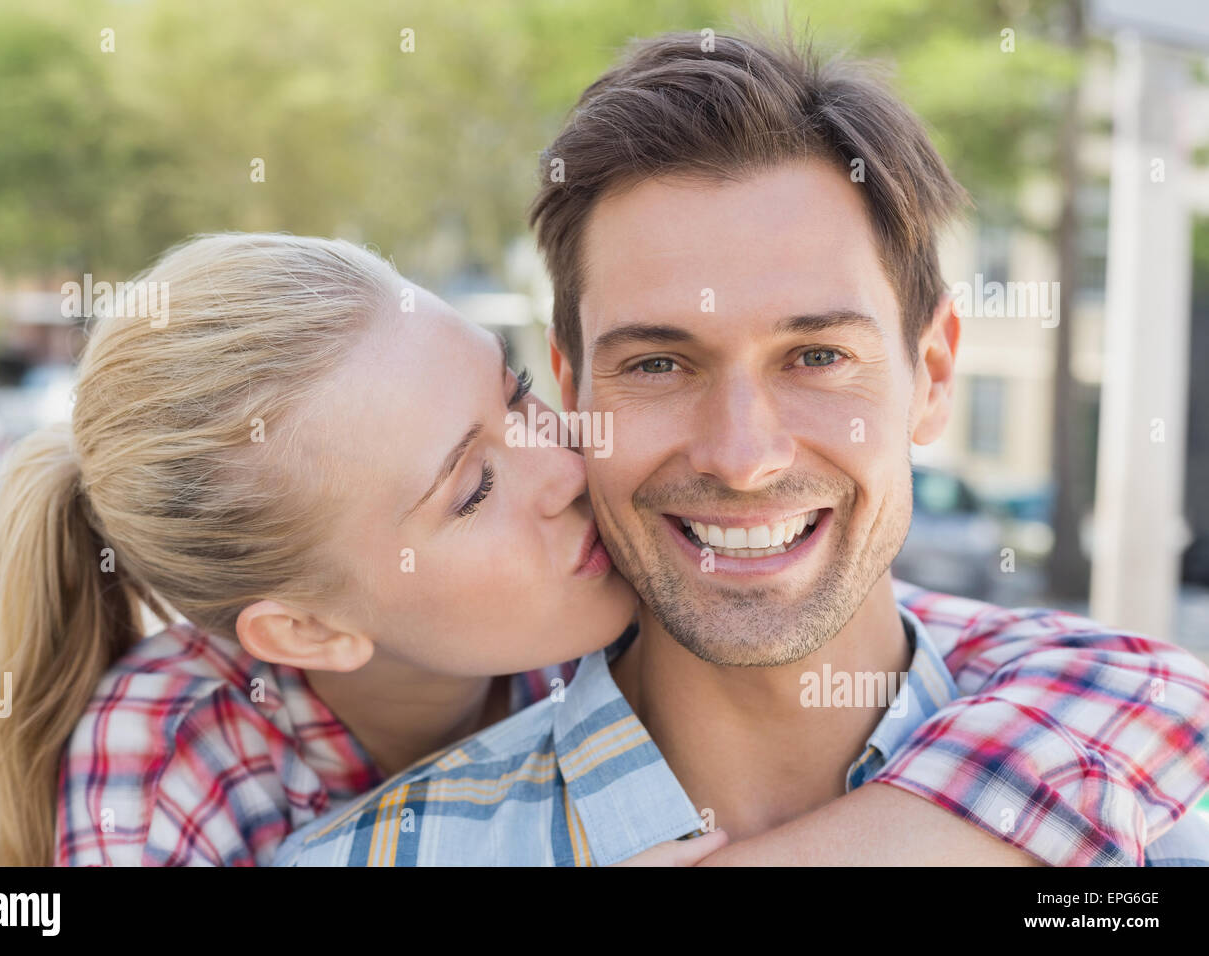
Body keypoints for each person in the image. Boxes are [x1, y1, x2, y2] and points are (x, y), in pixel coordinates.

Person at [275, 31, 1209, 867]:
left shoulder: (1151, 834)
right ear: (573, 388)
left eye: (815, 356)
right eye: (658, 364)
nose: (741, 456)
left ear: (932, 376)